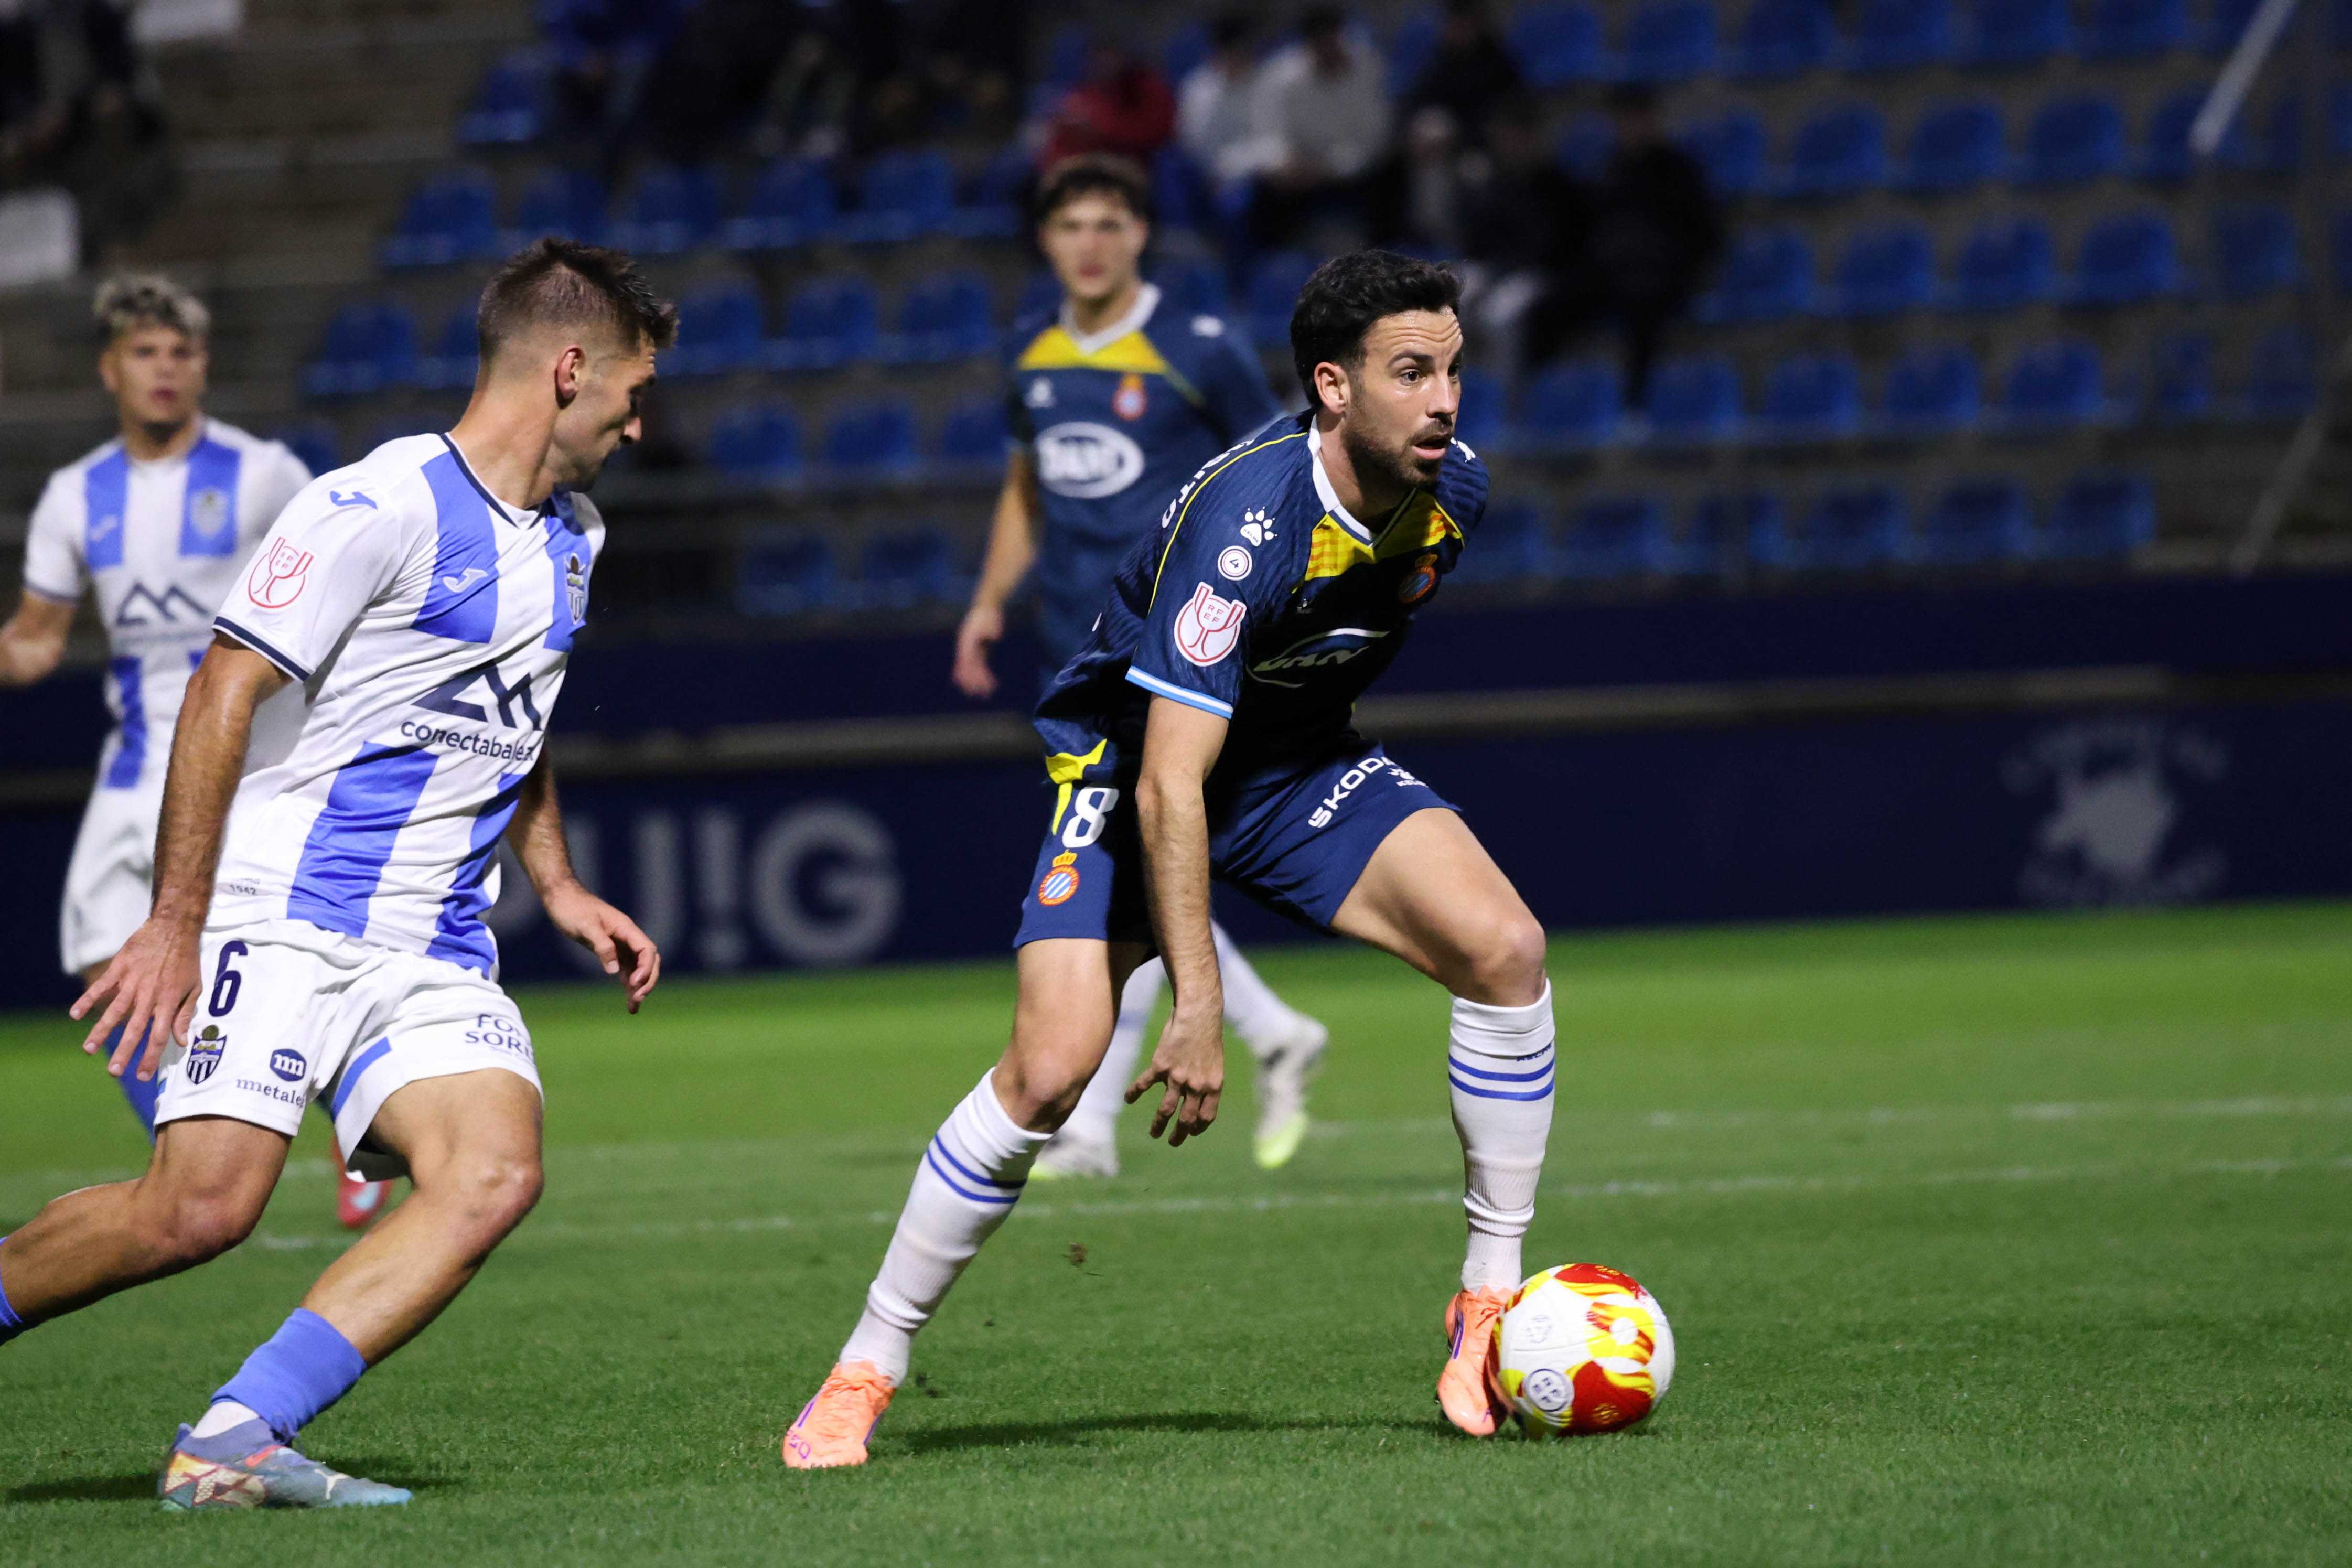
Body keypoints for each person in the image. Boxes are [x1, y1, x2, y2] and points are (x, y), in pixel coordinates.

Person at [787, 251, 1554, 1469]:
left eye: (1452, 370)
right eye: (1411, 373)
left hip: (1292, 767)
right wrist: (1195, 1001)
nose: (1445, 401)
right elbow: (1165, 782)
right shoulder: (1245, 527)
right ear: (1333, 387)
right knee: (1049, 1069)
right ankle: (864, 1366)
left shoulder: (1453, 491)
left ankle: (1488, 1301)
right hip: (1131, 770)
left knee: (1505, 949)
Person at [0, 238, 671, 1511]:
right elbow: (223, 687)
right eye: (633, 394)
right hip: (286, 913)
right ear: (570, 369)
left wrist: (560, 882)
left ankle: (235, 1438)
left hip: (434, 944)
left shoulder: (576, 535)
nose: (639, 426)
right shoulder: (376, 504)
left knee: (493, 1171)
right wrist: (174, 923)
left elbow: (514, 715)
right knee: (198, 1212)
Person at [952, 153, 1329, 1179]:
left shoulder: (1196, 347)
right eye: (1071, 225)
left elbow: (1279, 474)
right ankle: (1271, 1030)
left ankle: (1087, 1123)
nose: (1090, 243)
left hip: (1176, 645)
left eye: (1109, 224)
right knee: (1130, 861)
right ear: (1046, 241)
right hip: (1072, 646)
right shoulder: (1028, 352)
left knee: (1116, 859)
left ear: (1140, 236)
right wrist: (987, 602)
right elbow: (1026, 491)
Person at [0, 273, 399, 1230]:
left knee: (282, 958)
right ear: (110, 370)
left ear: (205, 366)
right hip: (138, 765)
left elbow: (344, 590)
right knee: (104, 961)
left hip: (250, 759)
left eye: (181, 352)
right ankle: (185, 1161)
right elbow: (37, 642)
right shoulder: (75, 496)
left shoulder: (263, 474)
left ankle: (359, 1133)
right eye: (145, 352)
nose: (165, 369)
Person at [1528, 83, 1724, 410]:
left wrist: (1675, 265)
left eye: (1638, 118)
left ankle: (1635, 404)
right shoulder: (1610, 169)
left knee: (1643, 305)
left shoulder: (1679, 171)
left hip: (1659, 275)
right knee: (1552, 303)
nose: (1631, 127)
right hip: (1611, 273)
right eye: (1625, 119)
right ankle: (1544, 401)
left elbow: (1701, 232)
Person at [1242, 5, 1393, 250]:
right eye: (1322, 42)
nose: (1329, 50)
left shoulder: (1367, 68)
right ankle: (1278, 261)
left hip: (1352, 174)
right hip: (1296, 176)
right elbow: (1268, 134)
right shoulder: (1280, 77)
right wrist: (1287, 162)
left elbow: (1373, 141)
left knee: (1389, 177)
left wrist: (1328, 167)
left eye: (1334, 40)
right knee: (1262, 193)